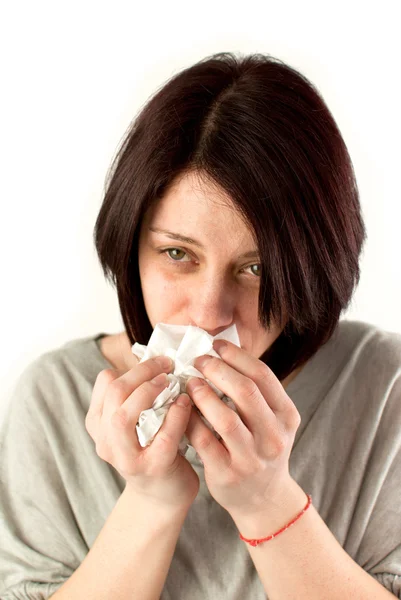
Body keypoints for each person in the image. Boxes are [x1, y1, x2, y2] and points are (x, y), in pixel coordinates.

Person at [0, 51, 400, 600]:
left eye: (257, 268)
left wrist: (267, 500)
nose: (211, 312)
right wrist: (151, 499)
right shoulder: (55, 400)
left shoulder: (385, 390)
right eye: (178, 254)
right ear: (131, 245)